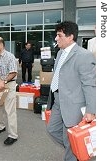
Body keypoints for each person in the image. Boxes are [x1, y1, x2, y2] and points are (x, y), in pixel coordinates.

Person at [46, 21, 96, 161]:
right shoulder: (61, 53)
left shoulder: (83, 55)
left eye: (59, 35)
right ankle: (76, 149)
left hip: (73, 105)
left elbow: (89, 84)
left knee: (69, 140)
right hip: (58, 102)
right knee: (52, 130)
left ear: (70, 37)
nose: (56, 38)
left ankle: (73, 152)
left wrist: (91, 110)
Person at [0, 37, 18, 145]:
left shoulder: (10, 57)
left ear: (1, 45)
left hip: (8, 86)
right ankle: (0, 127)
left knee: (10, 110)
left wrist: (4, 81)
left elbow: (13, 72)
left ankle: (13, 135)